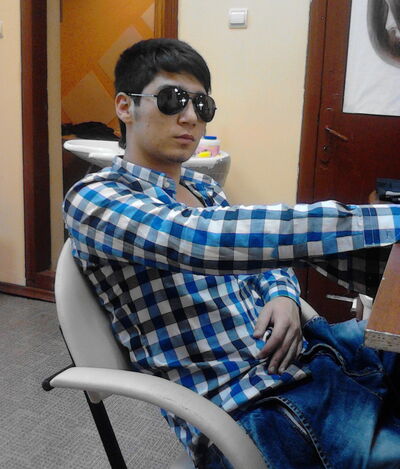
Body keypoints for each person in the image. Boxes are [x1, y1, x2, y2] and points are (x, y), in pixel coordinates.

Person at [63, 38, 400, 468]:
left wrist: (282, 294)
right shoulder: (95, 199)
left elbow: (259, 255)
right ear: (125, 107)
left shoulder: (202, 187)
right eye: (172, 99)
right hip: (257, 405)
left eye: (202, 105)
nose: (190, 117)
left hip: (311, 357)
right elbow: (201, 241)